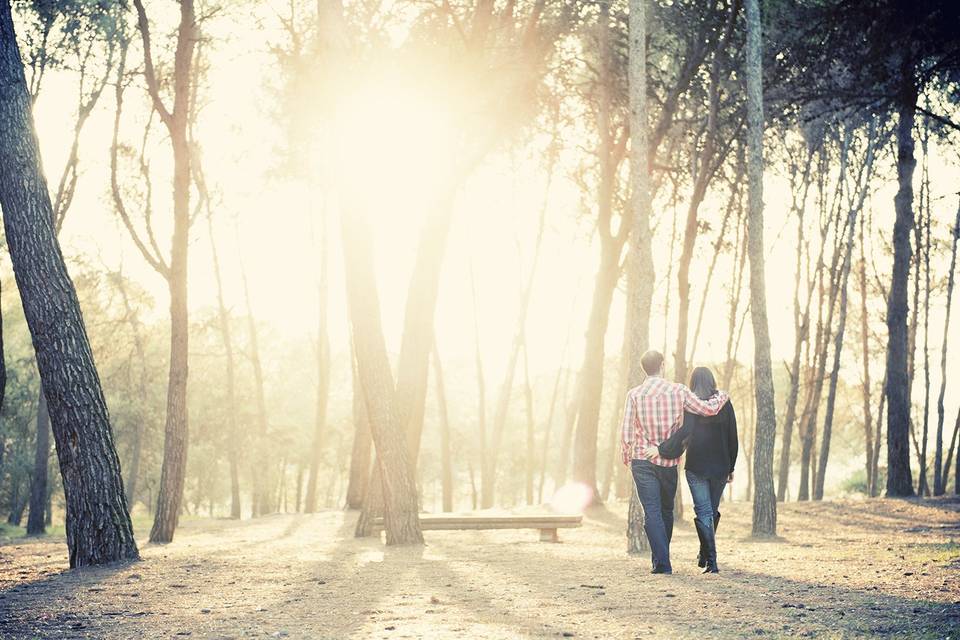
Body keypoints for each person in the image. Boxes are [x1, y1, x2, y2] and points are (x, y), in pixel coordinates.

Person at [620, 351, 729, 575]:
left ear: (644, 369)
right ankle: (661, 560)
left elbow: (627, 432)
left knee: (652, 512)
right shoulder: (678, 391)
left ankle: (662, 563)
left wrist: (626, 456)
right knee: (666, 510)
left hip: (641, 459)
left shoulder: (634, 394)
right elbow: (708, 409)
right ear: (662, 365)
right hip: (668, 462)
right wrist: (722, 396)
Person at [642, 366, 737, 574]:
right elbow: (733, 437)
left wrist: (661, 449)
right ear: (712, 381)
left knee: (705, 512)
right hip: (720, 466)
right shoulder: (724, 404)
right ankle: (709, 558)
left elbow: (683, 433)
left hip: (697, 466)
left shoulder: (691, 406)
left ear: (693, 382)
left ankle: (708, 558)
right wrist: (731, 467)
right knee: (710, 511)